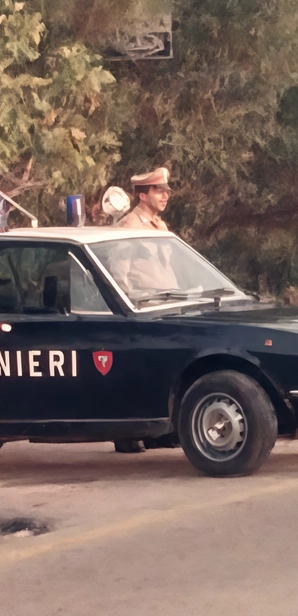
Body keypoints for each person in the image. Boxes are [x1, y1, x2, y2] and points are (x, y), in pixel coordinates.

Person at [111, 167, 175, 454]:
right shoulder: (129, 227)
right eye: (159, 191)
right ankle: (126, 433)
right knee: (134, 372)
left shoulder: (160, 226)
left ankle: (158, 432)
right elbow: (118, 275)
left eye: (167, 191)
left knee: (161, 372)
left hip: (167, 308)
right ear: (142, 194)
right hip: (141, 313)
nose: (165, 196)